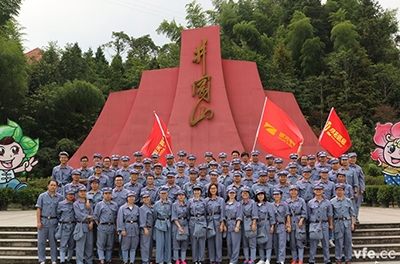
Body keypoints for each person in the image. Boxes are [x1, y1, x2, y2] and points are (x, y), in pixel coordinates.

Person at [36, 180, 64, 264]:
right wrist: (38, 222)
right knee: (41, 242)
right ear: (48, 186)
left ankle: (54, 259)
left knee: (53, 243)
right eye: (51, 185)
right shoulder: (42, 196)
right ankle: (42, 259)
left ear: (57, 187)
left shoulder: (60, 197)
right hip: (43, 221)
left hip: (54, 222)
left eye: (54, 185)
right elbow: (38, 209)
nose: (53, 187)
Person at [307, 184, 333, 264]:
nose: (318, 191)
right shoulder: (310, 203)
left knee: (325, 243)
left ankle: (327, 260)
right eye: (316, 189)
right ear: (314, 191)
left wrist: (331, 224)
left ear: (323, 191)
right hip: (314, 224)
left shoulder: (327, 202)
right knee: (313, 243)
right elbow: (308, 214)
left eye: (320, 189)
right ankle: (312, 260)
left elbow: (330, 214)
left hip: (324, 224)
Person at [331, 183, 355, 264]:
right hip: (337, 222)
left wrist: (352, 224)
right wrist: (332, 225)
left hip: (347, 222)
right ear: (335, 191)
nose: (339, 191)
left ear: (344, 191)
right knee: (338, 241)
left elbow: (352, 213)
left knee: (348, 241)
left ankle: (348, 258)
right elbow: (331, 215)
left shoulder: (348, 201)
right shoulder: (332, 201)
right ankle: (338, 258)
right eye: (338, 190)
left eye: (341, 190)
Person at [93, 187, 119, 264]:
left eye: (109, 193)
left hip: (111, 226)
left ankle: (108, 259)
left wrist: (116, 227)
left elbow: (116, 217)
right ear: (103, 195)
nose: (108, 195)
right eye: (106, 193)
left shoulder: (115, 204)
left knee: (110, 244)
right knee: (101, 244)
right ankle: (101, 259)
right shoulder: (99, 204)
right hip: (102, 226)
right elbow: (96, 217)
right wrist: (100, 225)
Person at [117, 190, 140, 264]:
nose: (131, 198)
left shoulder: (137, 208)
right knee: (125, 246)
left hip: (135, 228)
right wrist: (122, 229)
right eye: (129, 197)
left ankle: (132, 261)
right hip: (126, 228)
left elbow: (139, 219)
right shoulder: (122, 208)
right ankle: (125, 261)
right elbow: (120, 220)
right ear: (127, 198)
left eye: (133, 197)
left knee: (133, 247)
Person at [287, 185, 307, 264]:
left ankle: (300, 259)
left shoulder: (301, 201)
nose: (293, 192)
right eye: (291, 190)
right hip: (291, 221)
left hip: (300, 222)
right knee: (292, 242)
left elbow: (304, 212)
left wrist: (301, 220)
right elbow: (287, 213)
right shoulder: (287, 201)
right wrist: (288, 224)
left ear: (297, 192)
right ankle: (294, 258)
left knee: (299, 241)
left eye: (295, 190)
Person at [205, 183, 226, 264]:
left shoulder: (221, 200)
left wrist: (222, 223)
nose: (213, 190)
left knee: (218, 242)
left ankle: (218, 260)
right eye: (211, 188)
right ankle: (212, 260)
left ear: (217, 190)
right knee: (210, 242)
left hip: (217, 221)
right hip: (209, 222)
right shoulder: (206, 200)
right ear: (209, 190)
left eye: (214, 188)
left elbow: (222, 212)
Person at [74, 185, 94, 264]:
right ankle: (79, 262)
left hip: (89, 225)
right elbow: (78, 214)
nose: (83, 193)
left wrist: (92, 222)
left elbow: (93, 213)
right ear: (78, 193)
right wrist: (88, 216)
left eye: (84, 191)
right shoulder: (76, 203)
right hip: (80, 225)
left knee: (89, 245)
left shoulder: (89, 203)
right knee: (80, 246)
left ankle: (89, 261)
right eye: (81, 192)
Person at [254, 189, 275, 264]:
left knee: (268, 241)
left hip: (267, 223)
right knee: (260, 241)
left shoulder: (268, 204)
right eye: (259, 195)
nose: (260, 196)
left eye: (262, 194)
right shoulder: (255, 204)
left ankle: (268, 259)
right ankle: (262, 258)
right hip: (258, 224)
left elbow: (272, 215)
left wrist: (272, 226)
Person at [188, 185, 207, 264]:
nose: (197, 192)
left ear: (201, 192)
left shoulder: (204, 201)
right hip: (193, 221)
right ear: (193, 192)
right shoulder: (190, 201)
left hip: (202, 221)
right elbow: (187, 211)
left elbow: (206, 212)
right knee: (194, 241)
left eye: (198, 190)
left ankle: (201, 259)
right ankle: (195, 259)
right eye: (195, 190)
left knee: (202, 241)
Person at [153, 186, 172, 264]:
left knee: (168, 243)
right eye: (162, 193)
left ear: (167, 193)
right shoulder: (157, 204)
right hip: (159, 223)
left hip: (167, 223)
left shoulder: (170, 203)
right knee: (160, 243)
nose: (163, 194)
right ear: (159, 194)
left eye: (165, 193)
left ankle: (168, 260)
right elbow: (154, 215)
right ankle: (160, 260)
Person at [57, 188, 76, 264]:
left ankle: (69, 258)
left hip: (73, 225)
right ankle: (62, 260)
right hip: (65, 225)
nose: (71, 196)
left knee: (72, 243)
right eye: (69, 194)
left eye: (72, 194)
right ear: (66, 195)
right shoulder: (61, 204)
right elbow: (58, 214)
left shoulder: (75, 203)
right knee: (63, 243)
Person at [272, 189, 291, 264]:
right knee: (275, 243)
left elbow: (287, 215)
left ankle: (281, 260)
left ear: (281, 195)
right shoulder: (271, 205)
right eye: (275, 195)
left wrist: (288, 225)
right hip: (274, 225)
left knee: (282, 243)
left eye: (278, 194)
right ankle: (278, 259)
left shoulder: (284, 204)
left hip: (282, 225)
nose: (276, 196)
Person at [240, 186, 258, 264]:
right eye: (243, 193)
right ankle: (246, 258)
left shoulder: (252, 202)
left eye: (246, 192)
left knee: (252, 242)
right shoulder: (239, 203)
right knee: (245, 242)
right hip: (243, 223)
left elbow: (255, 214)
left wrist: (254, 224)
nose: (245, 194)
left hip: (250, 222)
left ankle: (252, 259)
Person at [225, 187, 242, 264]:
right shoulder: (225, 204)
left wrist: (237, 226)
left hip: (235, 224)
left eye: (233, 193)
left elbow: (239, 216)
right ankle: (230, 258)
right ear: (228, 194)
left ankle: (234, 260)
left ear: (235, 194)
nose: (231, 194)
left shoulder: (238, 204)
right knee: (229, 243)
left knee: (235, 244)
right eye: (230, 193)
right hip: (228, 225)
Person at [172, 190, 190, 264]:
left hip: (185, 223)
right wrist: (179, 226)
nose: (181, 196)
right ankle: (176, 259)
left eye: (182, 195)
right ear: (177, 196)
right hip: (177, 224)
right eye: (179, 195)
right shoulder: (174, 205)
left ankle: (183, 259)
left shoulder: (187, 204)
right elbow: (174, 217)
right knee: (176, 242)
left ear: (185, 196)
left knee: (184, 241)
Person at [139, 191, 154, 264]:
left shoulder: (151, 207)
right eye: (144, 198)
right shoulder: (142, 208)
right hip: (146, 229)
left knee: (150, 246)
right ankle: (145, 261)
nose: (146, 199)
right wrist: (145, 229)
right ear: (142, 199)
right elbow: (142, 219)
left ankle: (149, 260)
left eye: (147, 197)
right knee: (145, 246)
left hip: (152, 228)